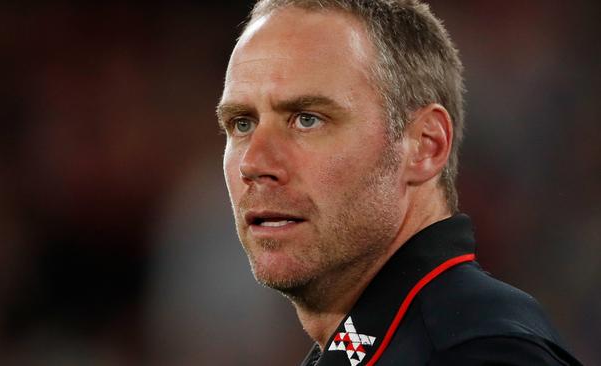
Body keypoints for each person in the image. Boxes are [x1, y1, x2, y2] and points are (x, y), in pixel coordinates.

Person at [216, 0, 581, 365]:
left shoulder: (479, 353)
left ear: (425, 145)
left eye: (307, 119)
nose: (254, 162)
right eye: (242, 123)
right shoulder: (383, 344)